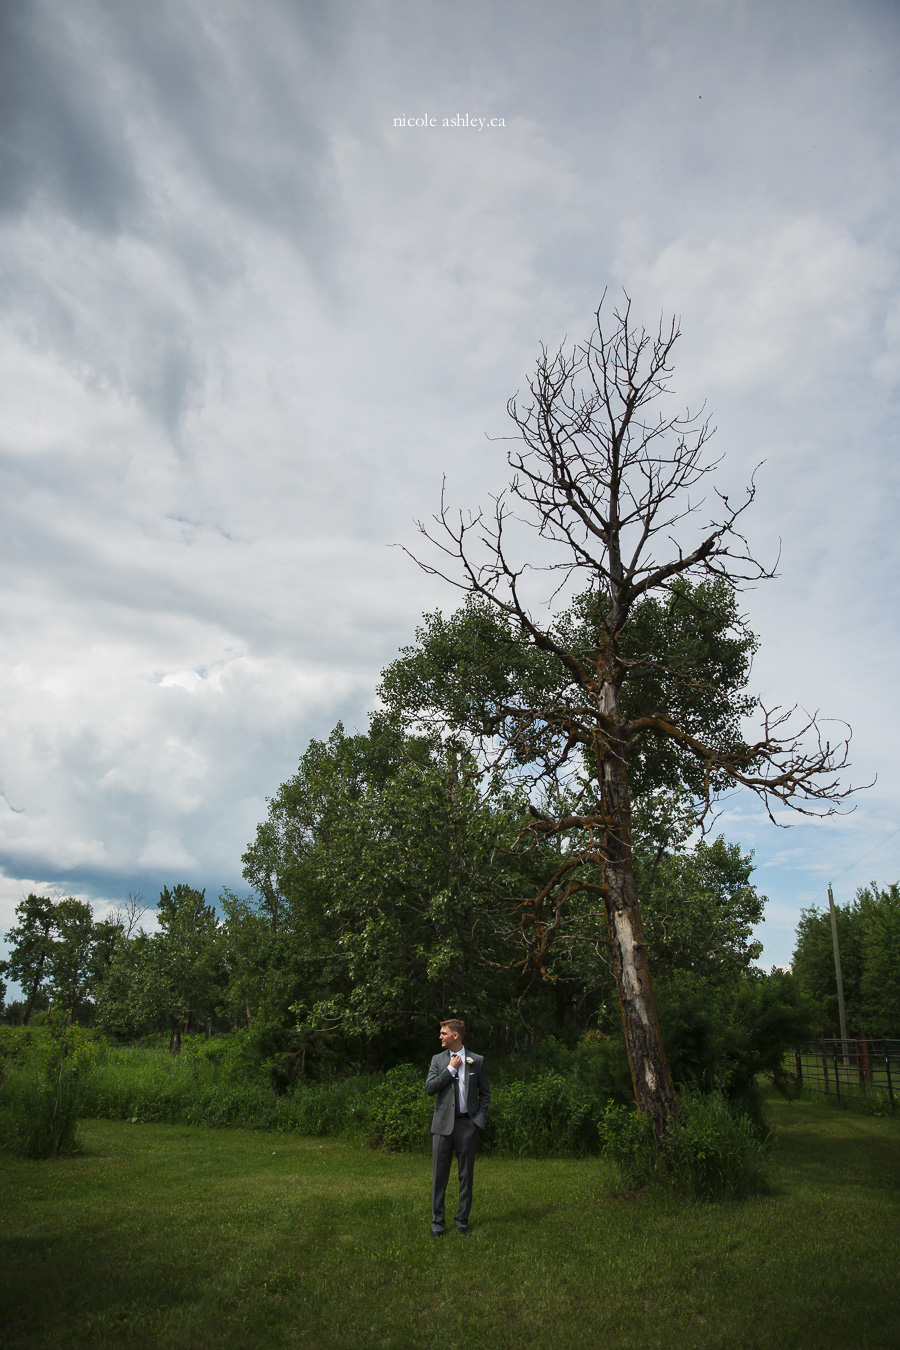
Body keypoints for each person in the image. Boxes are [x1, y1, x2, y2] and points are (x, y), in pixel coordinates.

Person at [425, 1018, 490, 1236]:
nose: (440, 1036)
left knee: (466, 1176)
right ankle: (438, 1223)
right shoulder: (438, 1060)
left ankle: (462, 1220)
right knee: (439, 1176)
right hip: (442, 1127)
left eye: (444, 1033)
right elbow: (430, 1088)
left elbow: (485, 1094)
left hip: (466, 1125)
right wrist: (450, 1070)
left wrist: (478, 1120)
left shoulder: (476, 1061)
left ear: (456, 1036)